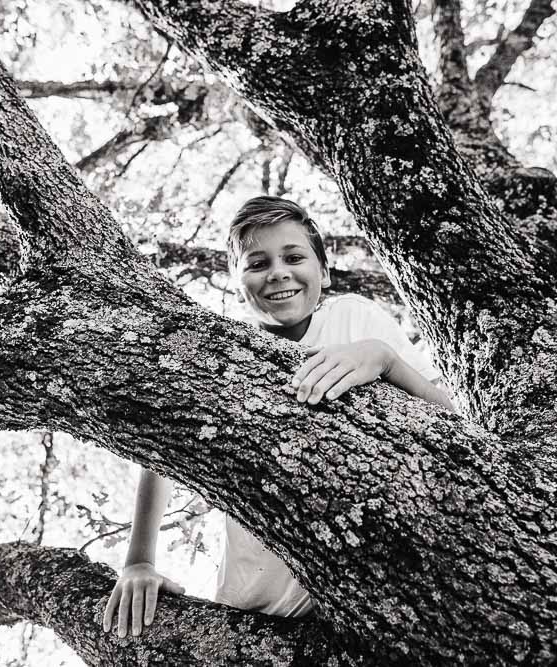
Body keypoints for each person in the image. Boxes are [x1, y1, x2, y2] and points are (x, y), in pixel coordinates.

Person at [102, 196, 453, 637]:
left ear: (323, 271)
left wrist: (384, 360)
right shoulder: (223, 353)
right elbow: (163, 451)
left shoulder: (354, 318)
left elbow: (453, 427)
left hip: (372, 590)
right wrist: (139, 560)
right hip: (259, 607)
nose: (278, 272)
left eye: (293, 257)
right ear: (237, 285)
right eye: (257, 263)